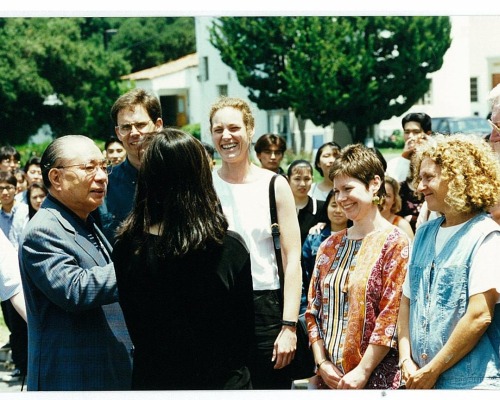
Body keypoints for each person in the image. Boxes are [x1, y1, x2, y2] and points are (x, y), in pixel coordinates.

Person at [113, 128, 254, 390]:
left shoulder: (127, 246)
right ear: (200, 176)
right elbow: (244, 333)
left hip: (153, 380)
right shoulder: (227, 247)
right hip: (221, 382)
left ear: (148, 177)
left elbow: (134, 322)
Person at [19, 135, 133, 391]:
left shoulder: (85, 220)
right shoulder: (42, 231)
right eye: (89, 167)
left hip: (104, 373)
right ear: (56, 178)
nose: (102, 176)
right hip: (71, 379)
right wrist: (138, 265)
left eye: (103, 167)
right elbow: (75, 289)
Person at [209, 96, 302, 389]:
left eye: (234, 128)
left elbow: (293, 260)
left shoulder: (275, 185)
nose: (226, 136)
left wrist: (288, 326)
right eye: (218, 129)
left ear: (250, 130)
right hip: (218, 310)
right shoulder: (204, 185)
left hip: (267, 309)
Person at [397, 133, 500, 389]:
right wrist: (404, 359)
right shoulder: (423, 234)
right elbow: (406, 302)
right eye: (420, 178)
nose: (420, 187)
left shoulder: (486, 235)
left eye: (429, 177)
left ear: (458, 179)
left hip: (471, 384)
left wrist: (433, 369)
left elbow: (480, 315)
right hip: (420, 379)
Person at [305, 143, 409, 389]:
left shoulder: (395, 242)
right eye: (336, 191)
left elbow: (390, 317)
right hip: (329, 379)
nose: (341, 198)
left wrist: (363, 371)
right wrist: (321, 363)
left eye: (348, 188)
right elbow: (313, 309)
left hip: (376, 381)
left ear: (374, 184)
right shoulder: (329, 245)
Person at [97, 88, 163, 242]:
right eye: (126, 127)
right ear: (118, 132)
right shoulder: (104, 183)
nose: (134, 133)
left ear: (158, 125)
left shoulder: (181, 176)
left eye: (140, 125)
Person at [300, 189, 348, 314]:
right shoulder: (314, 237)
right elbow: (303, 274)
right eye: (333, 205)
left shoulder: (358, 238)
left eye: (343, 206)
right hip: (317, 304)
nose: (338, 210)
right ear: (326, 207)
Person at [386, 112, 433, 183]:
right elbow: (394, 186)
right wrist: (404, 157)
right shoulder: (393, 164)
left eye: (416, 132)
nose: (410, 136)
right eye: (407, 132)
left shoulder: (435, 161)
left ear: (428, 134)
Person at [287, 159, 325, 245]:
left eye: (307, 179)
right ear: (288, 180)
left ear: (312, 179)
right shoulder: (279, 208)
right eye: (297, 179)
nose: (302, 184)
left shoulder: (322, 208)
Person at [380, 176, 414, 240]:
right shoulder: (365, 222)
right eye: (380, 194)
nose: (383, 199)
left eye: (388, 196)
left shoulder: (401, 225)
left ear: (394, 200)